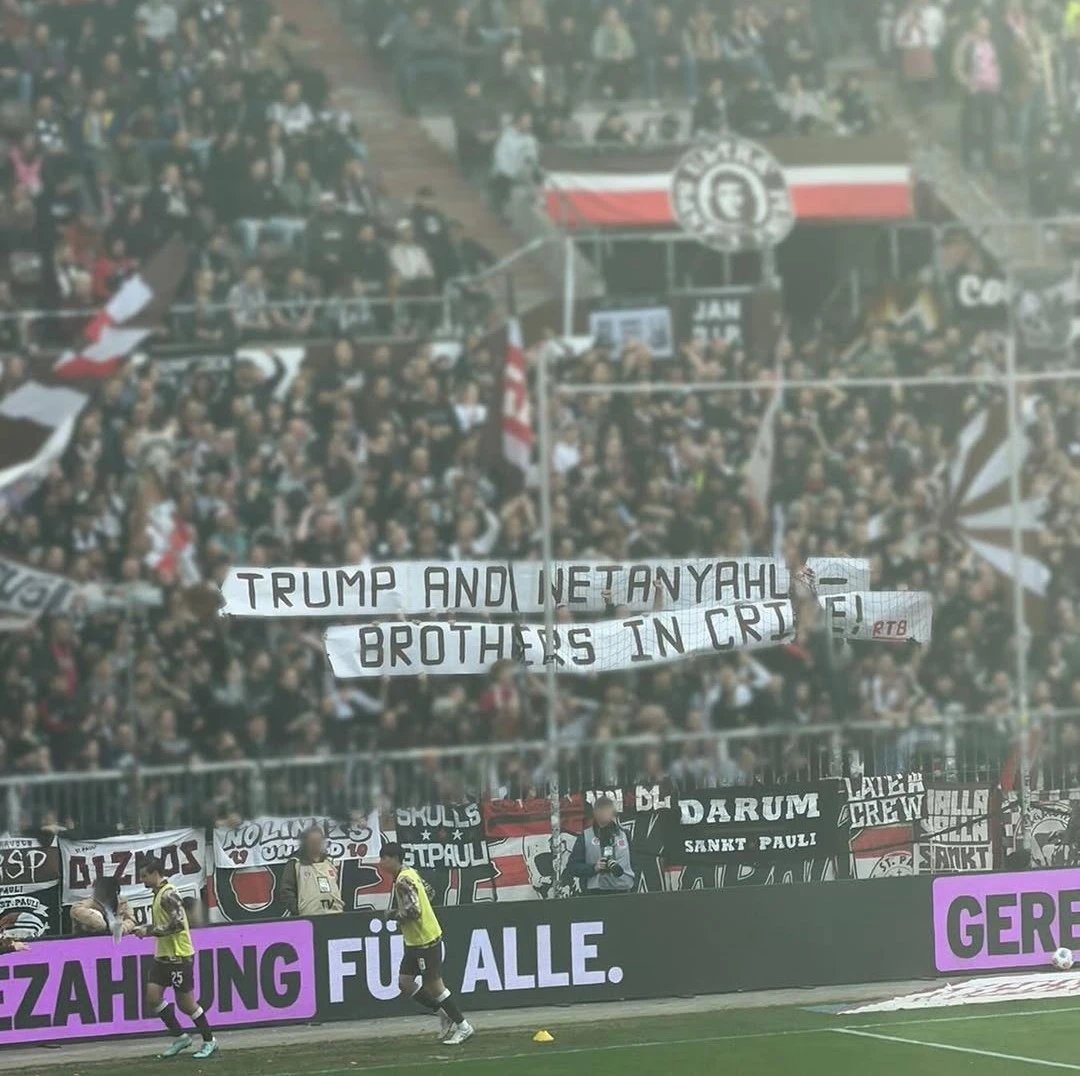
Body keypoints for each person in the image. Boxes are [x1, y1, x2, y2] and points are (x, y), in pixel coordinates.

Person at [379, 842, 474, 1046]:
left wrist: (393, 914)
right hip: (414, 941)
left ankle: (463, 1025)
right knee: (405, 983)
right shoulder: (410, 873)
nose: (381, 863)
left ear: (394, 858)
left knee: (434, 985)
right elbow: (429, 893)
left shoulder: (403, 880)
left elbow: (414, 911)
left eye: (383, 858)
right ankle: (443, 1013)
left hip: (424, 940)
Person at [133, 857, 218, 1060]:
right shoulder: (158, 894)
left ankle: (209, 1040)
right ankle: (181, 1037)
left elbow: (178, 924)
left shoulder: (168, 894)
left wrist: (150, 930)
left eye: (144, 876)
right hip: (163, 955)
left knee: (186, 1004)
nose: (142, 880)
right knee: (153, 997)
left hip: (179, 956)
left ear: (155, 874)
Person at [568, 795, 635, 894]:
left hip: (624, 890)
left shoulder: (625, 835)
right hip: (595, 893)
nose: (604, 813)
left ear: (613, 812)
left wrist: (635, 885)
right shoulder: (586, 836)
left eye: (607, 810)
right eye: (601, 810)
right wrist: (594, 868)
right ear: (595, 812)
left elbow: (635, 863)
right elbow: (572, 867)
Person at [280, 824, 344, 916]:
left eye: (319, 842)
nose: (316, 845)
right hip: (308, 916)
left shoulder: (329, 862)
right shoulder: (296, 863)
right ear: (306, 843)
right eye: (313, 842)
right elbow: (286, 890)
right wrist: (296, 910)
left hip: (334, 914)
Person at [71, 874, 136, 937]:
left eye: (109, 889)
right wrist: (100, 923)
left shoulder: (122, 903)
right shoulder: (90, 903)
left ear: (116, 890)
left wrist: (122, 929)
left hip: (116, 940)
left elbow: (131, 920)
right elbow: (75, 909)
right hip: (91, 941)